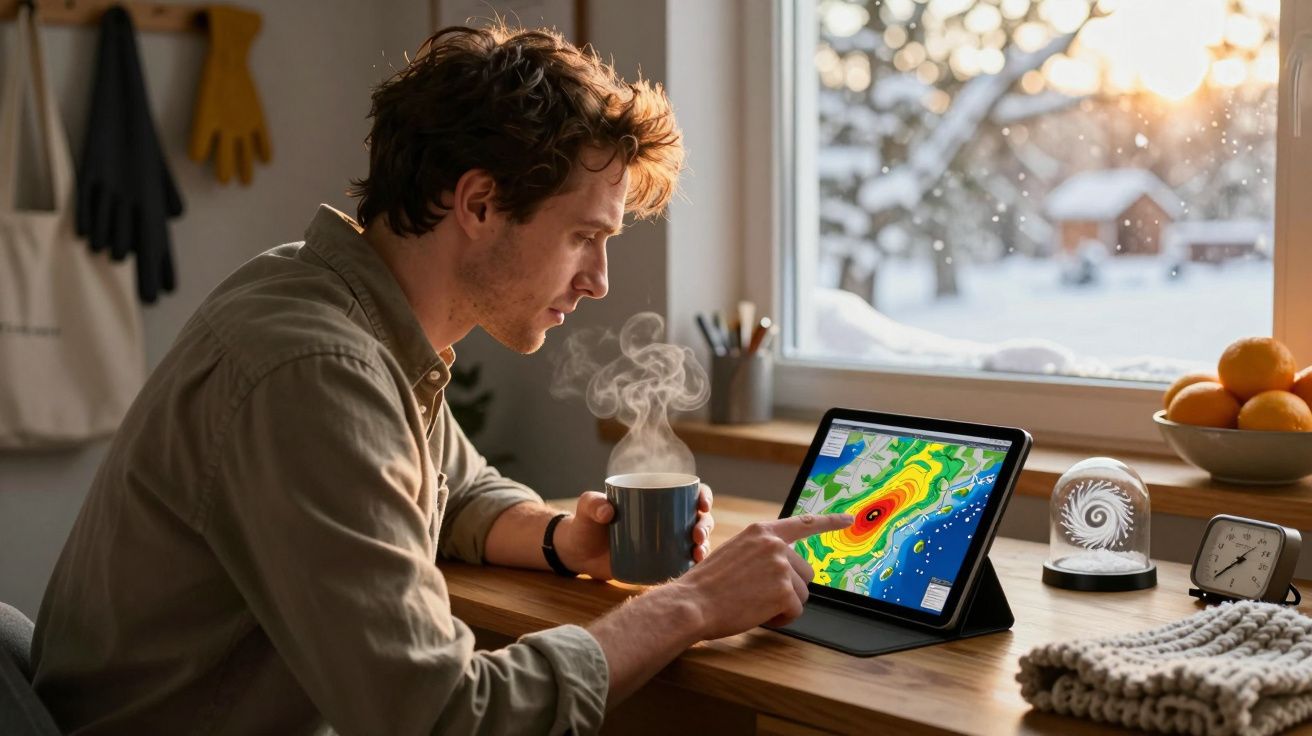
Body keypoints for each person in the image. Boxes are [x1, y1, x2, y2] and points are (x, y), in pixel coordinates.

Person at [31, 23, 852, 735]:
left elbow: (452, 492)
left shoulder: (339, 305)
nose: (598, 279)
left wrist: (564, 541)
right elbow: (440, 718)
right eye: (582, 237)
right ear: (480, 203)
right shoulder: (317, 370)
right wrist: (691, 606)